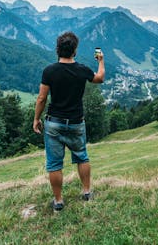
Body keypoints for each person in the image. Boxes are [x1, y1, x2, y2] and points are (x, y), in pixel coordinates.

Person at [33, 31, 105, 212]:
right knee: (82, 156)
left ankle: (58, 201)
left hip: (54, 123)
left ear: (58, 49)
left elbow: (41, 98)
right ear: (74, 51)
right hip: (76, 122)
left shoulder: (49, 71)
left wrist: (36, 119)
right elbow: (100, 78)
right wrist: (101, 61)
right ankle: (87, 192)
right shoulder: (82, 70)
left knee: (54, 164)